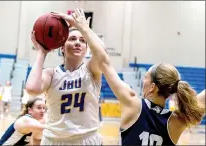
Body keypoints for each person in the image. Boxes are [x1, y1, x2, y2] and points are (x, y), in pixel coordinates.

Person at [52, 9, 205, 145]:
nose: (143, 81)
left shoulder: (133, 103)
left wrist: (84, 28)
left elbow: (103, 60)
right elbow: (202, 100)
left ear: (152, 87)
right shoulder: (177, 121)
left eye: (145, 77)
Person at [26, 9, 103, 145]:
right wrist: (42, 53)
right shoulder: (51, 73)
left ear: (87, 48)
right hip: (54, 139)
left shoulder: (92, 69)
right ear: (62, 47)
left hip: (86, 139)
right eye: (72, 39)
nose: (78, 43)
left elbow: (102, 53)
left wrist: (82, 27)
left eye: (82, 40)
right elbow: (32, 88)